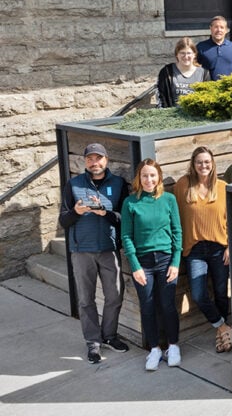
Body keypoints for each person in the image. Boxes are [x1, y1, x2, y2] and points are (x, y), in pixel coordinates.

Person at [59, 143, 130, 364]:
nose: (94, 163)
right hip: (81, 251)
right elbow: (63, 220)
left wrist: (105, 213)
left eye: (98, 158)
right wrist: (76, 212)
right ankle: (93, 342)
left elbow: (123, 218)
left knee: (115, 295)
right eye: (90, 158)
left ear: (106, 160)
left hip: (108, 249)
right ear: (85, 161)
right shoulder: (74, 184)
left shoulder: (118, 184)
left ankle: (109, 335)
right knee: (86, 299)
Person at [121, 158, 182, 371]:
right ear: (139, 178)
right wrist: (135, 266)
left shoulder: (169, 200)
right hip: (143, 263)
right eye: (145, 175)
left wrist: (175, 262)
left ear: (159, 177)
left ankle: (173, 346)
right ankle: (154, 349)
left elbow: (177, 232)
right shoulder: (131, 203)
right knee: (147, 306)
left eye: (153, 175)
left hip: (166, 260)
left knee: (167, 305)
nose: (149, 179)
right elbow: (126, 236)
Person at [174, 147, 232, 353]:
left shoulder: (223, 187)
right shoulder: (183, 185)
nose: (203, 166)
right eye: (199, 162)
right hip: (194, 249)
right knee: (199, 294)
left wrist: (229, 246)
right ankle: (224, 327)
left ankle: (222, 335)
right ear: (193, 163)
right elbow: (177, 216)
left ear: (213, 163)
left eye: (207, 162)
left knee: (220, 292)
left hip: (219, 248)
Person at [157, 37, 210, 108]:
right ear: (177, 54)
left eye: (189, 53)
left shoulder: (204, 73)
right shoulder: (167, 72)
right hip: (173, 116)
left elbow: (208, 98)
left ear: (194, 54)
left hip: (196, 116)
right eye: (182, 53)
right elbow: (162, 98)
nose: (186, 56)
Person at [196, 16, 232, 81]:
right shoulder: (201, 47)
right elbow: (193, 66)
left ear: (226, 30)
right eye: (216, 27)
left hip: (229, 88)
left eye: (222, 27)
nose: (219, 30)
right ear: (210, 28)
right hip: (208, 88)